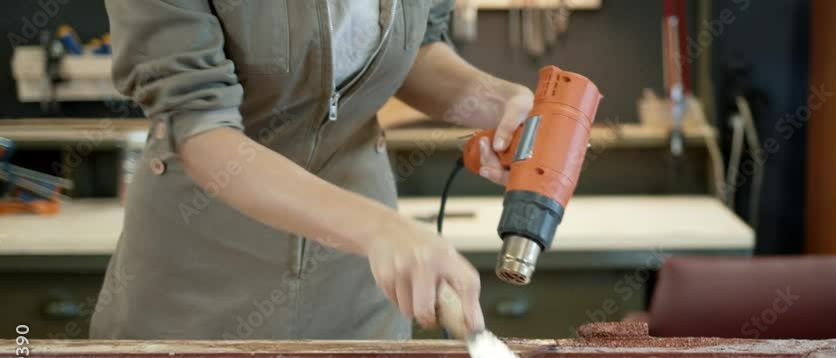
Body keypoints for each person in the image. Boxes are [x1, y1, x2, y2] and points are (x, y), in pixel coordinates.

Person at [91, 0, 533, 340]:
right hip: (202, 287)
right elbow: (202, 131)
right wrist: (379, 229)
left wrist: (496, 102)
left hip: (359, 287)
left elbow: (415, 49)